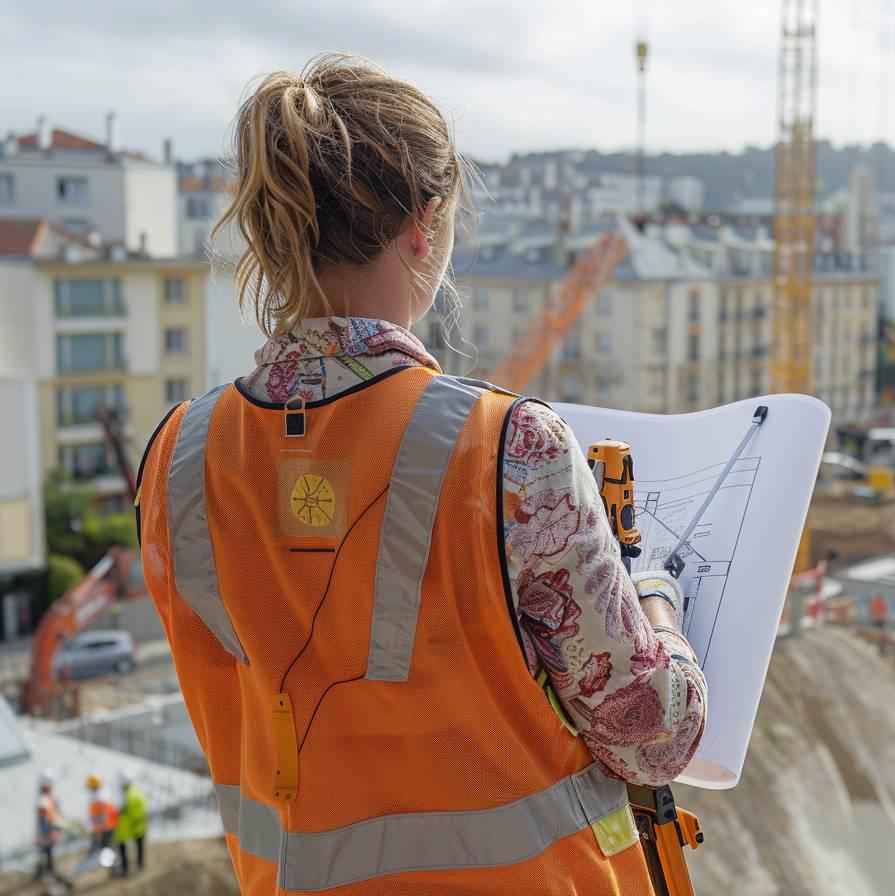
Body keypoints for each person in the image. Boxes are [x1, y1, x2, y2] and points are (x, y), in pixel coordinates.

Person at [137, 54, 706, 895]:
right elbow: (653, 737)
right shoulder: (509, 448)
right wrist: (656, 596)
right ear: (424, 224)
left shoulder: (178, 460)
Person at [34, 769, 70, 887]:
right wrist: (50, 832)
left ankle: (46, 871)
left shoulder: (48, 799)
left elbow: (52, 816)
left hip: (49, 832)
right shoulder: (44, 801)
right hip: (48, 832)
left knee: (47, 853)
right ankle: (47, 872)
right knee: (46, 853)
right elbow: (45, 819)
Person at [113, 769, 147, 876]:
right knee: (139, 845)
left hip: (128, 826)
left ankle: (125, 868)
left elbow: (123, 812)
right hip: (139, 824)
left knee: (121, 845)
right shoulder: (138, 792)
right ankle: (140, 864)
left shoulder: (126, 796)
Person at [86, 774, 118, 851]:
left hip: (105, 828)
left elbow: (102, 817)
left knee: (106, 849)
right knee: (107, 848)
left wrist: (97, 829)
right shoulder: (101, 795)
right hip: (106, 827)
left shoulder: (99, 798)